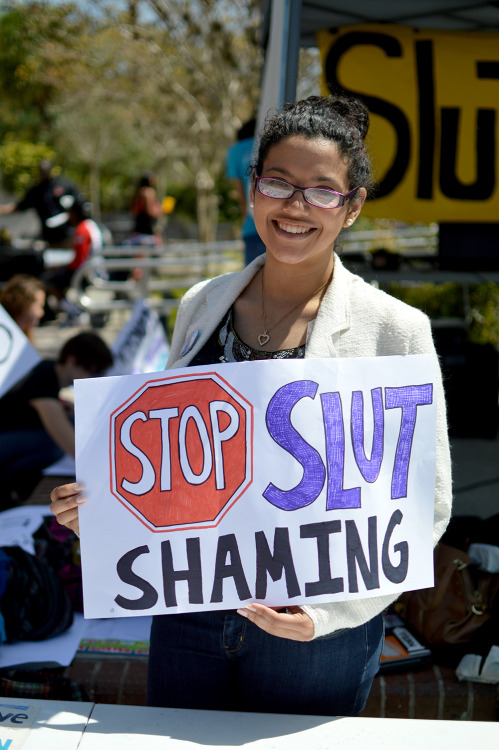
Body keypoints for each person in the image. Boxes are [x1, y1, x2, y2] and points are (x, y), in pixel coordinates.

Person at [50, 94, 452, 717]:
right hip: (190, 612)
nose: (296, 205)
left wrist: (324, 616)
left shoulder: (396, 331)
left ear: (353, 207)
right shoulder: (202, 303)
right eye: (279, 182)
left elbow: (425, 510)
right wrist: (104, 514)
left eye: (323, 190)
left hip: (314, 637)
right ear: (252, 188)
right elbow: (179, 458)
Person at [0, 332, 113, 507]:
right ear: (71, 360)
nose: (94, 380)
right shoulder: (42, 379)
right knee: (53, 445)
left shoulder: (48, 370)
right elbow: (69, 443)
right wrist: (109, 471)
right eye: (92, 372)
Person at [0, 160, 84, 247]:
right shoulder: (37, 191)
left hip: (69, 236)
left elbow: (80, 204)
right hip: (49, 239)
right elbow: (19, 207)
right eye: (41, 171)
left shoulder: (64, 184)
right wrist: (2, 209)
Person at [42, 200, 103, 303]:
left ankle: (70, 310)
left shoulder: (82, 229)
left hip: (87, 272)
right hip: (94, 268)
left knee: (48, 282)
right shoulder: (90, 225)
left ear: (75, 213)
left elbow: (79, 261)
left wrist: (60, 266)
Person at [226, 118, 266, 265]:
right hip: (281, 225)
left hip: (252, 225)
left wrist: (245, 218)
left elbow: (240, 192)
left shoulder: (235, 151)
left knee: (254, 277)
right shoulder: (274, 143)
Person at [0, 274, 46, 343]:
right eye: (40, 306)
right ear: (24, 303)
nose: (42, 313)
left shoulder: (25, 337)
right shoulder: (3, 335)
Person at [128, 172, 163, 245]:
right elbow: (149, 211)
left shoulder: (138, 192)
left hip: (138, 229)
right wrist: (159, 210)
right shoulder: (148, 192)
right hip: (147, 228)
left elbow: (133, 210)